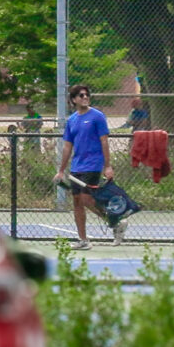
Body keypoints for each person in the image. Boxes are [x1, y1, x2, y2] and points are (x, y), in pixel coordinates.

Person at [61, 84, 116, 246]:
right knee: (77, 201)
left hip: (93, 164)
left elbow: (104, 141)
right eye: (81, 95)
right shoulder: (71, 120)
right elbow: (67, 146)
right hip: (77, 166)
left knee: (86, 198)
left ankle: (114, 220)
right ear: (73, 100)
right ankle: (83, 240)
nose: (85, 97)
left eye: (86, 95)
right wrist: (61, 170)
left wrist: (107, 166)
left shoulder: (97, 116)